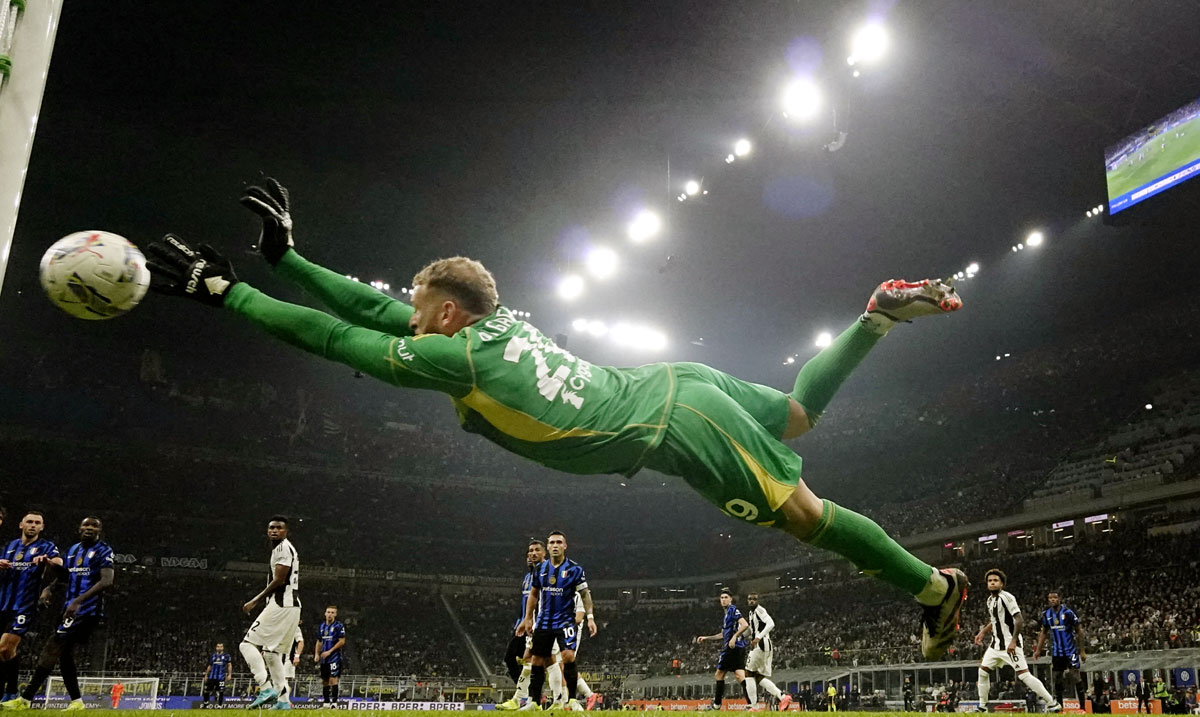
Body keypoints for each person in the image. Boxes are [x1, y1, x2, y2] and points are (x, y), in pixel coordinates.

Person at [142, 178, 970, 660]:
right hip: (673, 385)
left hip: (673, 425)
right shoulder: (493, 325)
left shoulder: (453, 354)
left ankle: (935, 588)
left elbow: (335, 333)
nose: (412, 320)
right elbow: (370, 304)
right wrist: (287, 259)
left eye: (423, 311)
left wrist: (232, 292)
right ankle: (874, 318)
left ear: (450, 315)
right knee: (792, 415)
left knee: (805, 516)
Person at [2, 516, 114, 712]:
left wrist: (78, 602)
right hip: (69, 609)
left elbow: (107, 581)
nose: (89, 528)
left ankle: (25, 698)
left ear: (100, 531)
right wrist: (50, 588)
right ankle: (77, 701)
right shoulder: (73, 550)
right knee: (65, 655)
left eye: (94, 526)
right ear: (79, 528)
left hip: (87, 610)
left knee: (53, 646)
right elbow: (66, 576)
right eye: (85, 525)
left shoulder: (104, 550)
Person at [517, 531, 595, 711]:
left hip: (565, 621)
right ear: (548, 546)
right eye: (551, 542)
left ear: (564, 546)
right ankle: (534, 702)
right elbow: (534, 594)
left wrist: (590, 618)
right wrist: (528, 618)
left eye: (559, 542)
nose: (555, 545)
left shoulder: (575, 569)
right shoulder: (540, 570)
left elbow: (585, 594)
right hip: (544, 622)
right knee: (536, 660)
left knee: (568, 657)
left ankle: (573, 700)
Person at [973, 569, 1060, 714]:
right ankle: (982, 706)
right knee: (982, 672)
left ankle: (1052, 703)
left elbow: (1019, 619)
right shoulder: (990, 600)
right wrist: (982, 632)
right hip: (995, 645)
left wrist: (1013, 641)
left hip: (1009, 644)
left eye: (995, 580)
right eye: (990, 581)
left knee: (1024, 675)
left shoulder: (1006, 597)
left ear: (1002, 584)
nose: (992, 583)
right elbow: (995, 621)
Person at [239, 516, 300, 710]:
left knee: (247, 644)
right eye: (271, 528)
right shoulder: (282, 548)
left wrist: (255, 600)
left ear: (286, 531)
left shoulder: (282, 548)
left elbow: (280, 580)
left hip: (281, 605)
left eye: (278, 528)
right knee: (272, 654)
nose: (274, 531)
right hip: (292, 607)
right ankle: (283, 702)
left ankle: (265, 688)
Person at [0, 511, 62, 701]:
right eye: (29, 522)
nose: (33, 525)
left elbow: (60, 563)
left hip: (25, 606)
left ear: (41, 527)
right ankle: (9, 691)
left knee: (4, 648)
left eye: (37, 523)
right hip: (2, 603)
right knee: (5, 652)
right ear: (21, 525)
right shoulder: (10, 546)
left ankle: (11, 691)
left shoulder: (46, 546)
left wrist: (48, 561)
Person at [498, 539, 546, 710]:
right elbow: (526, 602)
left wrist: (532, 620)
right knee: (514, 658)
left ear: (544, 553)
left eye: (536, 550)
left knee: (541, 662)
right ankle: (528, 696)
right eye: (530, 551)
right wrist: (521, 620)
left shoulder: (546, 573)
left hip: (538, 624)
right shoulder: (528, 577)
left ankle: (532, 698)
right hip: (524, 623)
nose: (532, 553)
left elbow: (543, 600)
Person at [695, 589, 750, 710]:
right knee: (740, 676)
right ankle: (752, 703)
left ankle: (716, 705)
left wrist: (734, 637)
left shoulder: (732, 610)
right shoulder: (726, 615)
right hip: (739, 647)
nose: (723, 599)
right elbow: (722, 634)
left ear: (731, 599)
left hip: (731, 648)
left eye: (726, 597)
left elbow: (745, 624)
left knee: (719, 674)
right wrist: (706, 638)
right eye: (722, 598)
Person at [1033, 591, 1087, 710]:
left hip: (1070, 650)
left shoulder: (1068, 613)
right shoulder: (1047, 614)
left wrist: (1082, 651)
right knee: (1057, 676)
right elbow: (1043, 633)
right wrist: (1038, 650)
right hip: (1057, 652)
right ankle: (1060, 706)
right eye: (1050, 598)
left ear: (1060, 599)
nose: (1052, 600)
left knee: (1075, 675)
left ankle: (1083, 707)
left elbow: (1079, 631)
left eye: (1055, 597)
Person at [743, 592, 792, 711]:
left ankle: (753, 706)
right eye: (750, 599)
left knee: (748, 673)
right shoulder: (751, 613)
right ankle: (782, 696)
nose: (751, 601)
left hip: (761, 644)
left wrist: (758, 637)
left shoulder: (760, 610)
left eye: (754, 599)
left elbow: (771, 623)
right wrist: (740, 636)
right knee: (758, 676)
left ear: (758, 600)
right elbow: (752, 629)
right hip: (763, 645)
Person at [316, 606, 346, 709]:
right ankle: (326, 703)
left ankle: (334, 704)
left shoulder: (339, 626)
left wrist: (329, 651)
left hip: (334, 656)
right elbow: (319, 641)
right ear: (325, 613)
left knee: (333, 679)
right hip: (324, 657)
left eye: (332, 612)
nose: (330, 614)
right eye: (328, 612)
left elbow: (342, 641)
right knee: (324, 680)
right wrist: (316, 654)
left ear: (335, 614)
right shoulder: (322, 626)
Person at [202, 642, 233, 708]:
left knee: (221, 691)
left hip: (221, 677)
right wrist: (206, 675)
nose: (219, 648)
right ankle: (205, 703)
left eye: (221, 646)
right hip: (212, 677)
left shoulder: (226, 656)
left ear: (223, 648)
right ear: (216, 648)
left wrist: (229, 674)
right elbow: (209, 666)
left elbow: (229, 665)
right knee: (206, 690)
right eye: (218, 646)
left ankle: (219, 705)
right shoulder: (213, 656)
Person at [281, 620, 304, 707]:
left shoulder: (295, 628)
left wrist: (297, 656)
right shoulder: (279, 627)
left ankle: (286, 702)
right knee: (279, 681)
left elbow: (301, 642)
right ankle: (284, 701)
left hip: (289, 658)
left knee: (284, 679)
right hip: (278, 657)